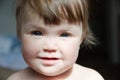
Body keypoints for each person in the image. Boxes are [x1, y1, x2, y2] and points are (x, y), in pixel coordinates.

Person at [7, 0, 104, 80]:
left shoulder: (91, 78)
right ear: (19, 34)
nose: (50, 47)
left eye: (64, 35)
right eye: (37, 33)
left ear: (81, 37)